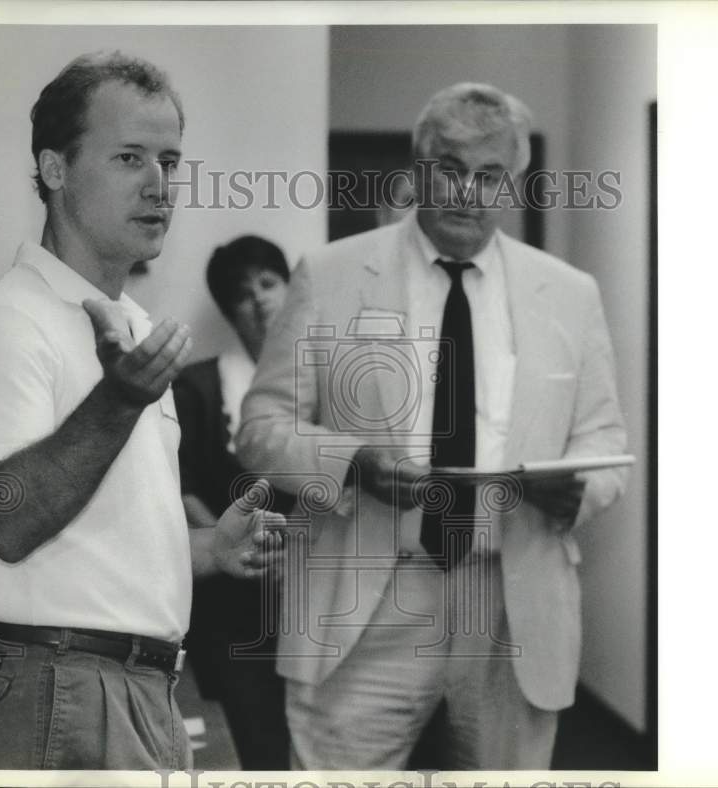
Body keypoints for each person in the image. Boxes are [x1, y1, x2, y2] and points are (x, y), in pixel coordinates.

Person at [237, 82, 628, 770]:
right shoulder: (327, 276)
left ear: (514, 182)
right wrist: (353, 463)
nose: (467, 194)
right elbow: (261, 428)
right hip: (368, 600)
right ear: (418, 171)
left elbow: (604, 443)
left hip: (512, 602)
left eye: (489, 175)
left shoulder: (569, 293)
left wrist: (579, 491)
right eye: (450, 170)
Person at [0, 51, 282, 771]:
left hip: (133, 687)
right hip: (61, 689)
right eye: (130, 157)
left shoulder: (126, 320)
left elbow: (99, 551)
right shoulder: (14, 320)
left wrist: (211, 549)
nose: (160, 186)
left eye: (170, 161)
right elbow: (6, 520)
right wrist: (119, 400)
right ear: (56, 169)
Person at [173, 235, 292, 769]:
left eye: (269, 284)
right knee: (252, 743)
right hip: (232, 602)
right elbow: (180, 484)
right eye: (243, 294)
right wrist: (231, 543)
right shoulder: (198, 385)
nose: (260, 301)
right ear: (228, 310)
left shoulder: (329, 380)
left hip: (317, 595)